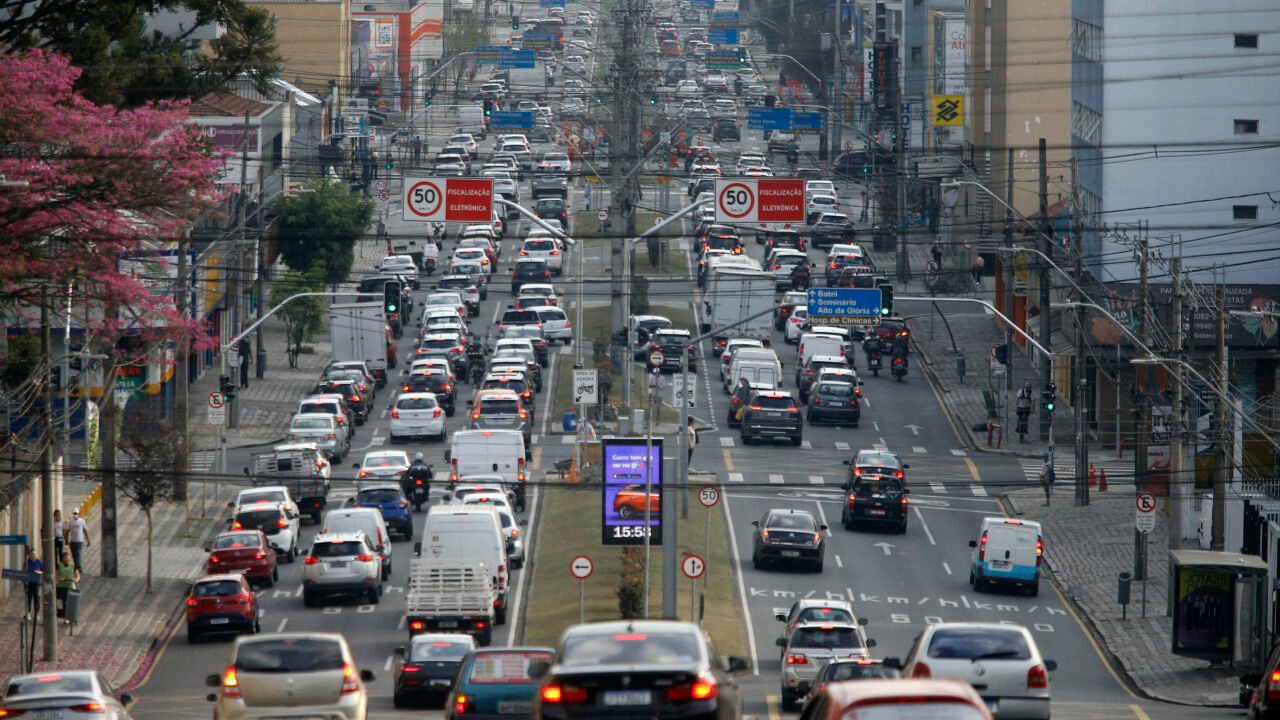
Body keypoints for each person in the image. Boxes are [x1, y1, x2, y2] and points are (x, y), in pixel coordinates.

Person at [55, 551, 78, 624]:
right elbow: (56, 574)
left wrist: (75, 580)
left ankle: (68, 617)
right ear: (63, 558)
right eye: (65, 558)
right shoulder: (59, 565)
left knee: (69, 602)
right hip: (62, 586)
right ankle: (63, 616)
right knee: (63, 601)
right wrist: (60, 578)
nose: (67, 559)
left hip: (71, 586)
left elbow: (77, 575)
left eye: (68, 558)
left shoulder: (73, 565)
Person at [23, 548, 43, 618]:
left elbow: (43, 571)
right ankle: (28, 613)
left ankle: (36, 613)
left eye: (35, 554)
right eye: (32, 554)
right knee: (28, 598)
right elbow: (23, 571)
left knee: (36, 598)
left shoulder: (39, 562)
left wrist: (38, 572)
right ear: (29, 555)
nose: (34, 555)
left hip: (36, 583)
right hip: (29, 582)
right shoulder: (26, 562)